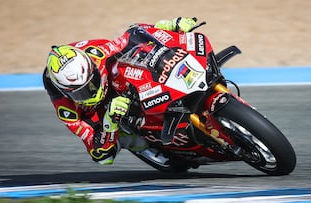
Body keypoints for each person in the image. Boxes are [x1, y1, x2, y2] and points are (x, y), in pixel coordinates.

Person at [43, 17, 197, 165]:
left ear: (93, 67)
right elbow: (96, 150)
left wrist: (169, 26)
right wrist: (109, 121)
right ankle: (142, 145)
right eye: (80, 93)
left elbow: (134, 33)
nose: (91, 92)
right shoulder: (66, 109)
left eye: (92, 82)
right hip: (101, 113)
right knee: (104, 159)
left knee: (139, 57)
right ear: (65, 93)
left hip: (111, 75)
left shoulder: (98, 53)